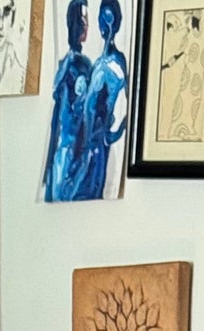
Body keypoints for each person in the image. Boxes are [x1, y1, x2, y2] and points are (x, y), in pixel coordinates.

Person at [43, 1, 92, 201]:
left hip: (67, 146)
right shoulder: (78, 66)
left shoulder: (70, 65)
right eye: (82, 21)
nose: (85, 26)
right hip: (68, 146)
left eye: (87, 21)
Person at [81, 0, 129, 199]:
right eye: (103, 20)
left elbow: (126, 102)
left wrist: (114, 134)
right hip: (86, 145)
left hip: (99, 147)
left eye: (110, 21)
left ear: (117, 24)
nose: (105, 27)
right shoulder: (98, 62)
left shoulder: (118, 62)